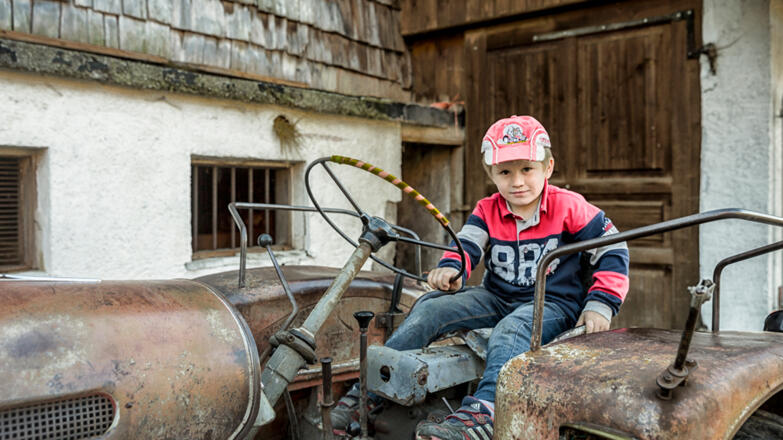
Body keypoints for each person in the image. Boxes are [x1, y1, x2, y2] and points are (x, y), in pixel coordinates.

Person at [331, 115, 630, 440]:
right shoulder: (487, 209)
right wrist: (453, 268)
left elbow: (612, 248)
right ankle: (365, 393)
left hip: (552, 304)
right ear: (492, 174)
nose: (517, 181)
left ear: (548, 167)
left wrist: (601, 303)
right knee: (430, 308)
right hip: (497, 297)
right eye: (505, 172)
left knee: (512, 330)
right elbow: (468, 245)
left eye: (526, 169)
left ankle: (484, 412)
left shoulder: (569, 207)